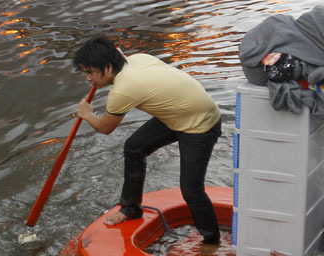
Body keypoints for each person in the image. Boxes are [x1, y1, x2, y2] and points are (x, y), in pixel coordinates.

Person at [72, 35, 223, 245]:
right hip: (176, 115)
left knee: (191, 191)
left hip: (201, 125)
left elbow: (105, 128)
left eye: (90, 72)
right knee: (133, 148)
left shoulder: (123, 89)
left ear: (107, 68)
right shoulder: (136, 59)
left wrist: (87, 114)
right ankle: (131, 209)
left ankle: (211, 240)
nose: (88, 79)